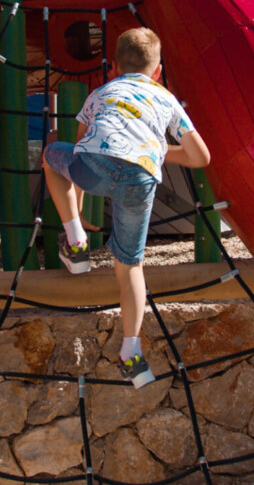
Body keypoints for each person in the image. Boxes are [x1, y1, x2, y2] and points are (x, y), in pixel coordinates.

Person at [42, 27, 211, 387]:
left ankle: (75, 244)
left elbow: (80, 148)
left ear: (114, 66)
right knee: (131, 266)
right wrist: (160, 150)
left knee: (52, 155)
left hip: (94, 166)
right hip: (141, 178)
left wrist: (82, 216)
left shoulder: (100, 92)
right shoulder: (165, 98)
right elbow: (201, 156)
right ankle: (131, 355)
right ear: (158, 71)